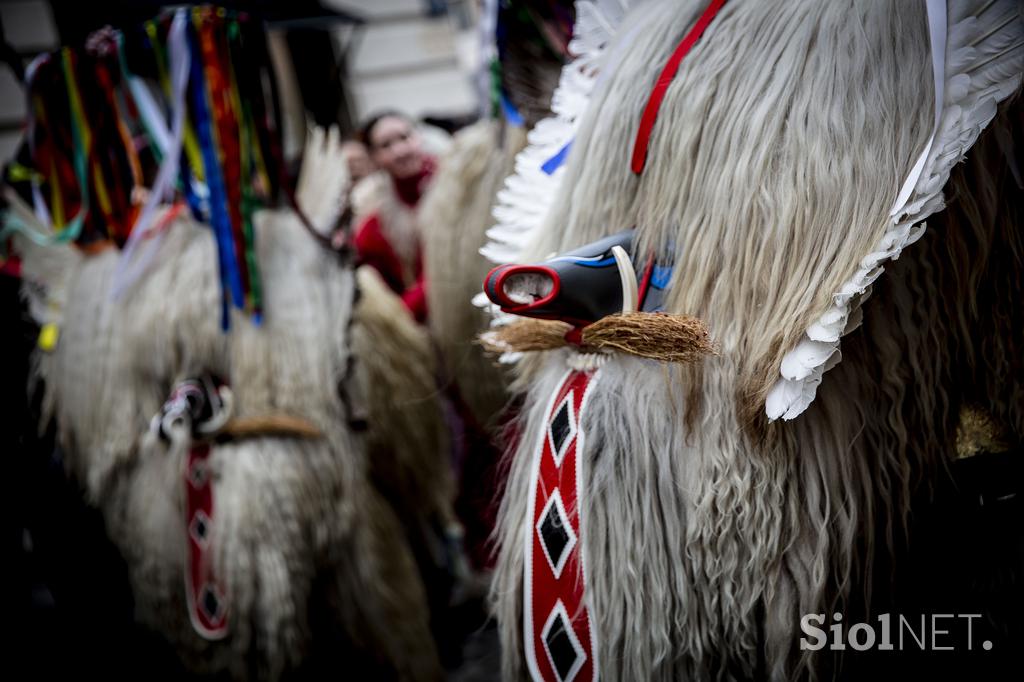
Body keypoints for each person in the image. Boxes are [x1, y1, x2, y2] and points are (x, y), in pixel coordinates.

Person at [353, 111, 436, 323]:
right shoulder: (376, 223)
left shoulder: (457, 182)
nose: (400, 150)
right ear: (374, 158)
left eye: (404, 137)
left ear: (419, 137)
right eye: (386, 146)